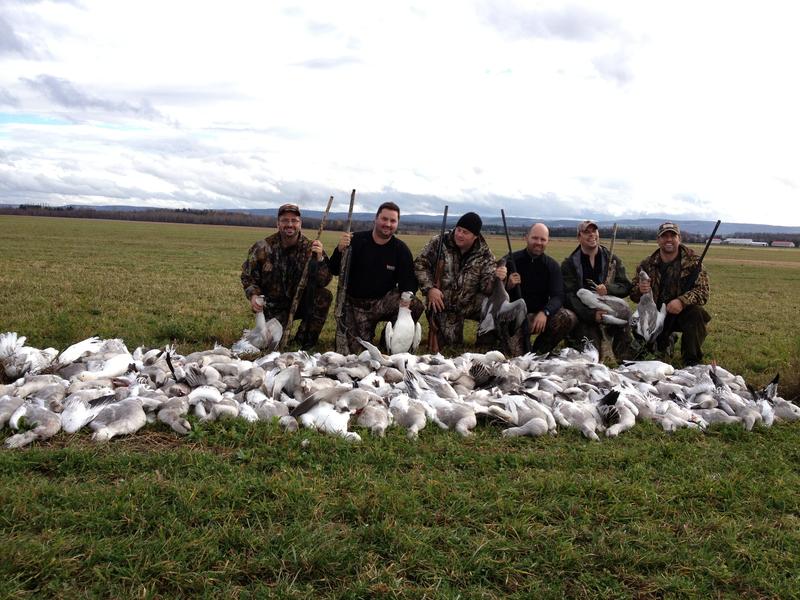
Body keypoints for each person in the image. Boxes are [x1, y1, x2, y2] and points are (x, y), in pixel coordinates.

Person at [329, 202, 424, 354]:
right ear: (376, 218)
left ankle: (389, 340)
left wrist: (406, 296)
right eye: (384, 219)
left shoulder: (400, 249)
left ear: (397, 223)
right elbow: (334, 269)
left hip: (384, 300)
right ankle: (363, 335)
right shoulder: (355, 241)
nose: (388, 224)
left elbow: (408, 281)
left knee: (415, 305)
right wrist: (339, 250)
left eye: (393, 221)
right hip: (357, 304)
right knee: (356, 354)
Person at [240, 203, 332, 350]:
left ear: (300, 223)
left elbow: (324, 281)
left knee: (324, 295)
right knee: (268, 345)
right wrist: (253, 295)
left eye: (294, 220)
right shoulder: (262, 247)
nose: (290, 224)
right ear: (278, 223)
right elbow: (248, 277)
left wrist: (320, 258)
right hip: (273, 307)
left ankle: (303, 341)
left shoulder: (312, 248)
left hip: (301, 303)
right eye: (285, 220)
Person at [414, 212, 507, 348]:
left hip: (469, 303)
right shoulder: (439, 242)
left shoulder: (485, 254)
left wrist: (498, 277)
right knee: (450, 346)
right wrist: (430, 289)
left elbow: (486, 288)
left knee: (491, 304)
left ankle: (485, 342)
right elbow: (420, 264)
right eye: (458, 229)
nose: (459, 234)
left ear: (475, 236)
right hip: (442, 304)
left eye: (465, 232)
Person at [629, 221, 711, 366]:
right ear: (658, 240)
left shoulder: (693, 262)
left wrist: (682, 301)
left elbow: (703, 292)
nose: (668, 239)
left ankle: (691, 360)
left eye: (672, 236)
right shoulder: (647, 264)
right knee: (646, 345)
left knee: (696, 314)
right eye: (664, 236)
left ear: (679, 238)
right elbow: (633, 295)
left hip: (681, 314)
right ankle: (663, 342)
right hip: (655, 314)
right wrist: (640, 290)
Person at [561, 219, 634, 361]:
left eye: (594, 231)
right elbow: (568, 296)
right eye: (586, 232)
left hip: (609, 310)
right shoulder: (569, 264)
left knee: (626, 355)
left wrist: (609, 289)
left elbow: (626, 286)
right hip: (584, 316)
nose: (591, 235)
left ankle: (625, 358)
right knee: (591, 357)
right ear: (579, 237)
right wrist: (591, 315)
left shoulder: (612, 260)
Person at [506, 223, 577, 354]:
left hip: (539, 316)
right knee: (516, 356)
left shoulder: (552, 266)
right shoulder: (510, 260)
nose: (538, 242)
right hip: (514, 319)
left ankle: (540, 351)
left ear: (547, 241)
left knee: (568, 317)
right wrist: (508, 285)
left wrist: (545, 312)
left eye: (543, 239)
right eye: (535, 238)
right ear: (526, 237)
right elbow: (494, 291)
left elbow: (558, 296)